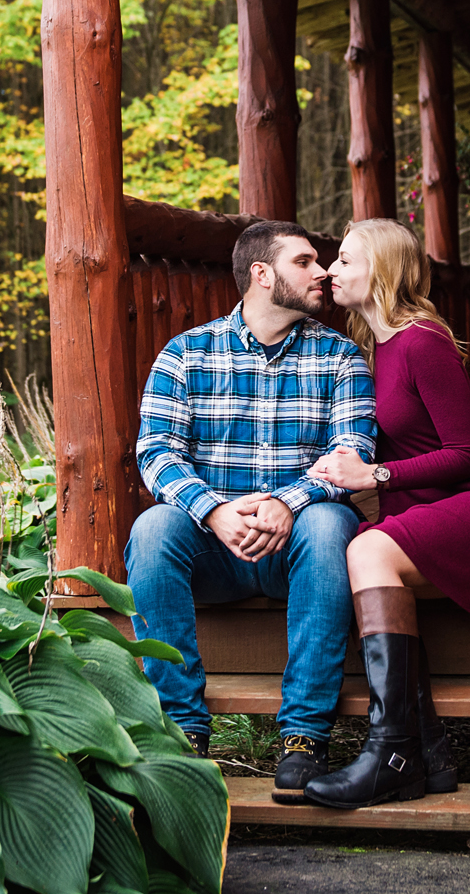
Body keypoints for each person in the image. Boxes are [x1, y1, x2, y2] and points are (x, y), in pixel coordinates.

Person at [300, 217, 470, 810]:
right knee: (363, 548)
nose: (331, 270)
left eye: (344, 260)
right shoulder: (374, 345)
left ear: (382, 269)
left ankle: (391, 752)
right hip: (454, 505)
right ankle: (428, 753)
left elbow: (466, 452)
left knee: (365, 549)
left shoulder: (421, 340)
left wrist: (375, 475)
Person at [128, 219, 377, 800]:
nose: (323, 274)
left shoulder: (341, 356)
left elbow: (353, 452)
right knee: (153, 527)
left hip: (299, 551)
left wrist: (289, 505)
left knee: (330, 521)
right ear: (261, 275)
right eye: (306, 262)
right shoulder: (186, 354)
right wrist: (214, 511)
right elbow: (156, 450)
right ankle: (182, 728)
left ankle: (303, 734)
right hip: (213, 551)